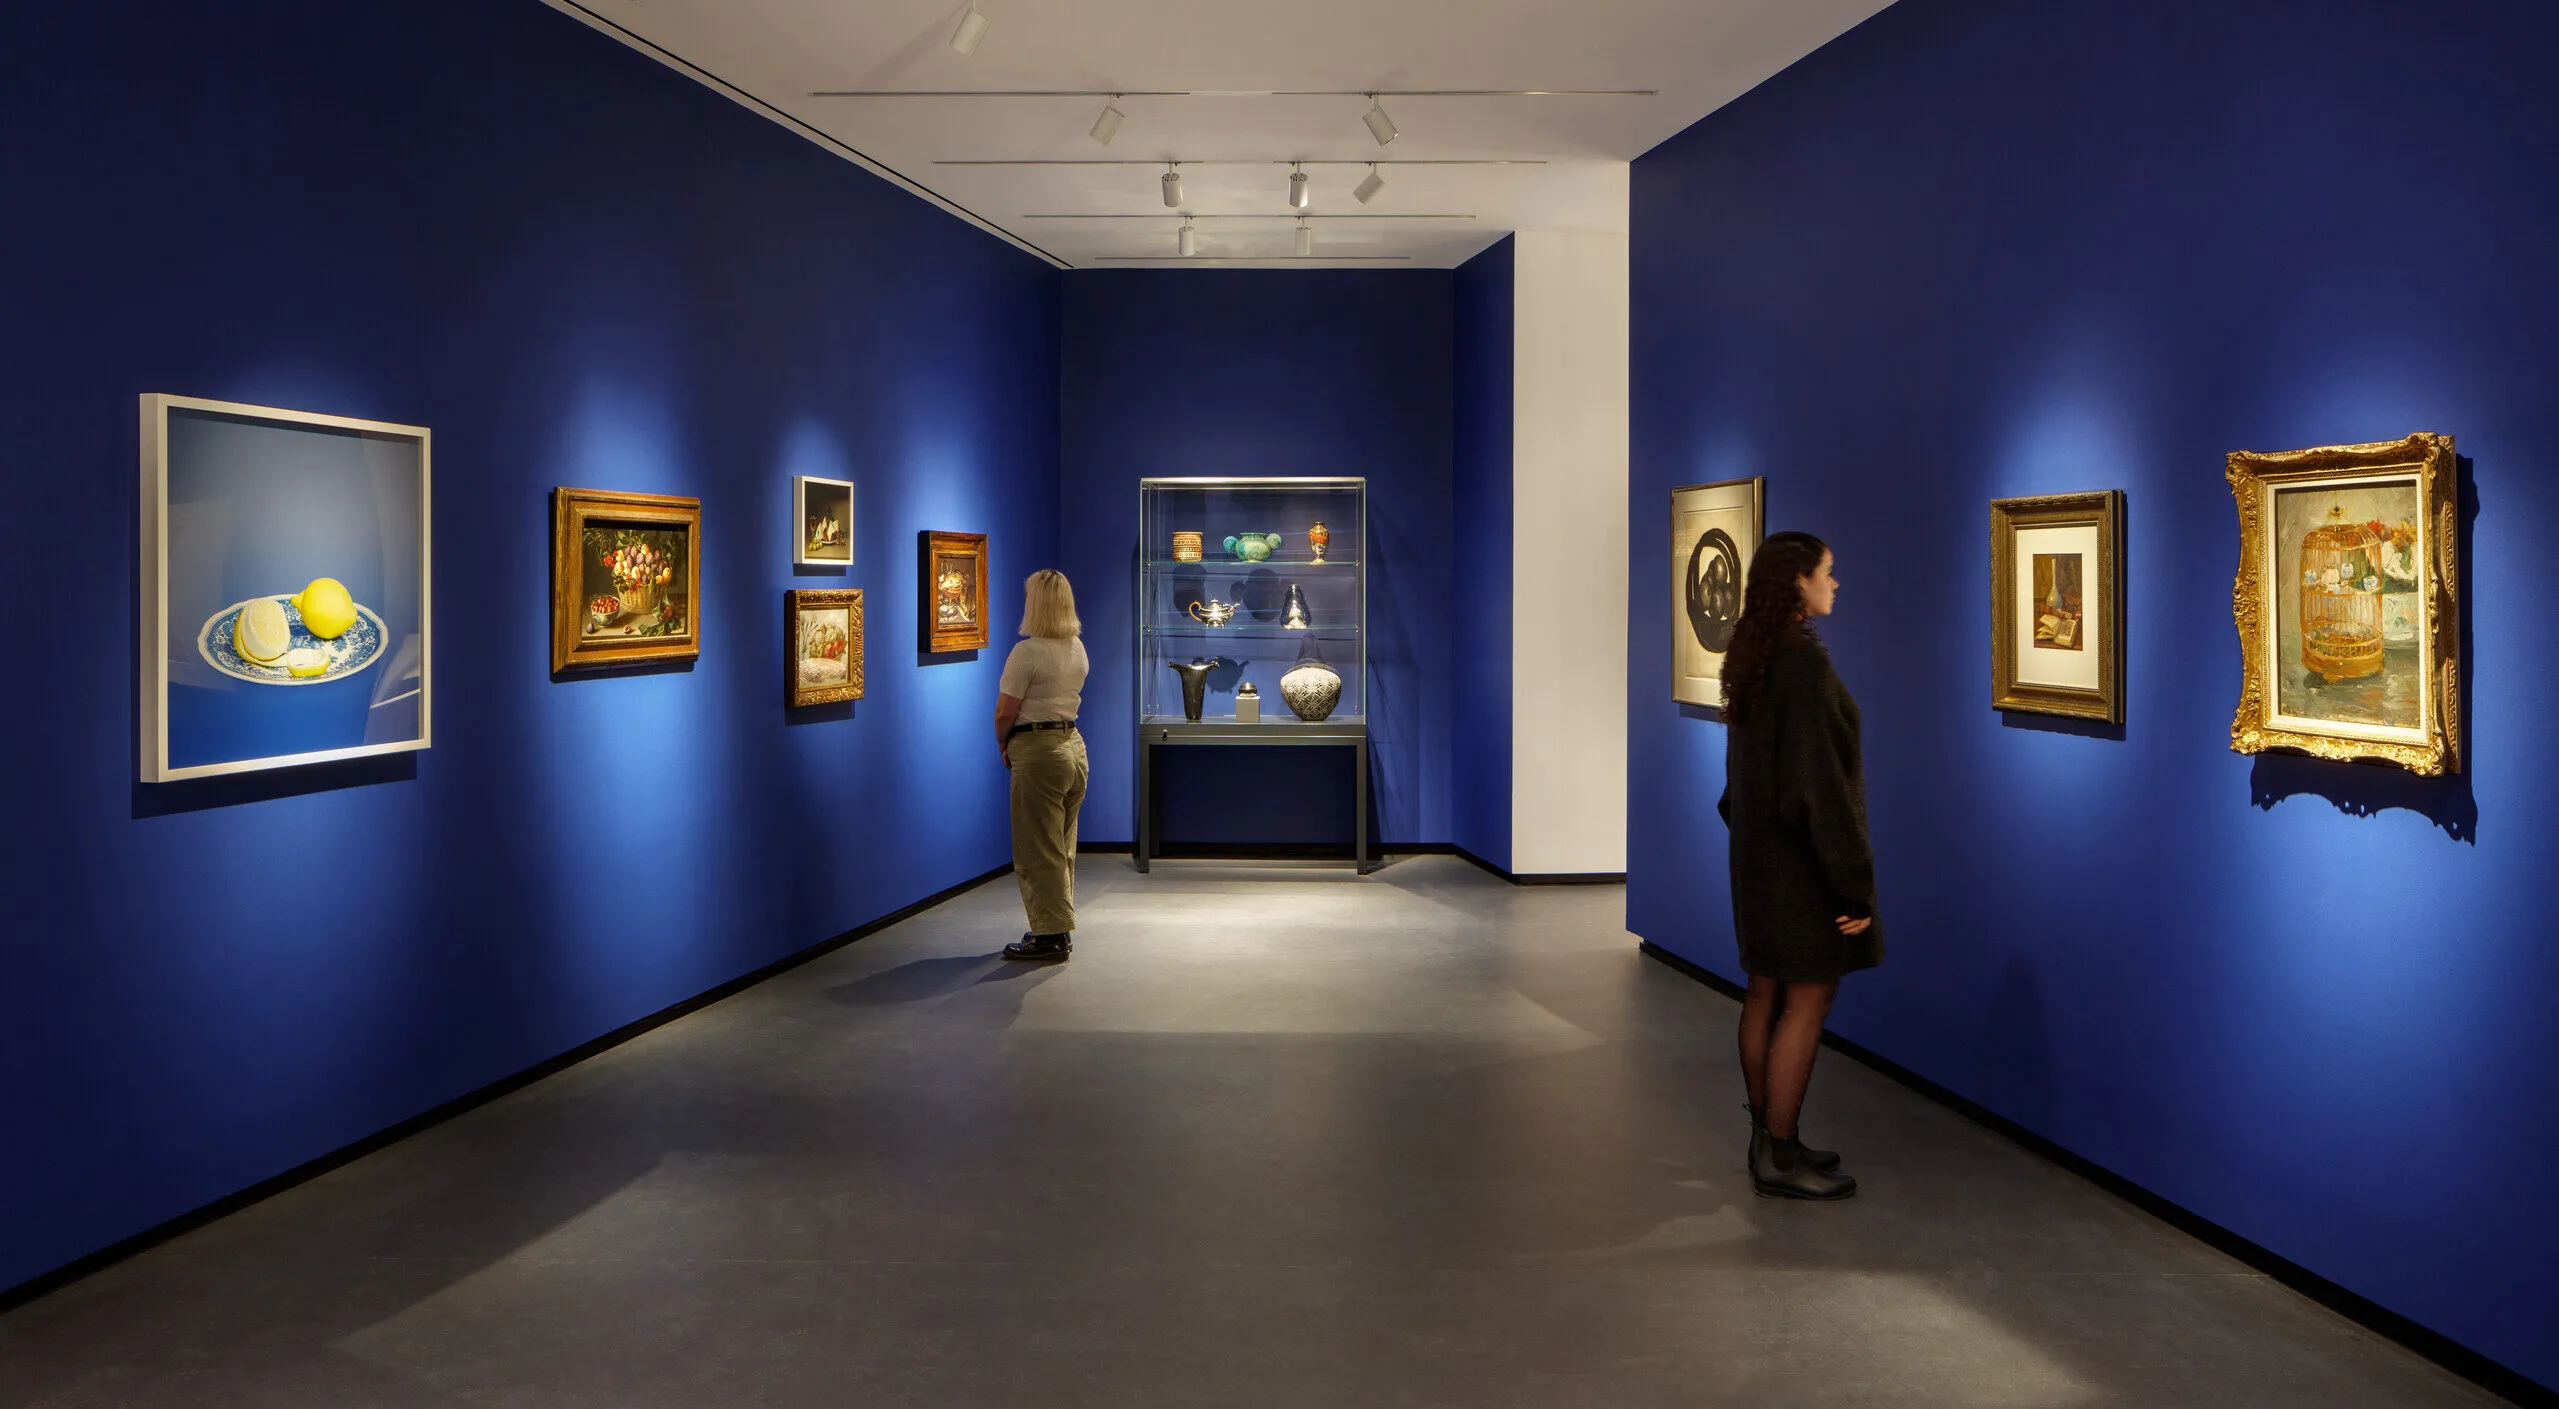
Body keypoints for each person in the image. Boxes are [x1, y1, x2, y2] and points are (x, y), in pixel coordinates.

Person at [1717, 532, 1880, 1200]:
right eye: (1828, 573)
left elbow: (1740, 785)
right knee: (1808, 1000)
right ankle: (1780, 1157)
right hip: (1800, 866)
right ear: (1798, 583)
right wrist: (1851, 884)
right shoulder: (1802, 667)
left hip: (1757, 859)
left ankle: (1766, 1135)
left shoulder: (1753, 656)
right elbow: (1817, 790)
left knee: (1763, 992)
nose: (1834, 584)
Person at [994, 570, 1089, 960]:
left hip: (1038, 749)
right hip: (1073, 746)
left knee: (1037, 847)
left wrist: (1003, 742)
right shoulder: (1076, 647)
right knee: (1061, 843)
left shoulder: (1027, 652)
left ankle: (1050, 935)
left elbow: (1005, 711)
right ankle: (1059, 926)